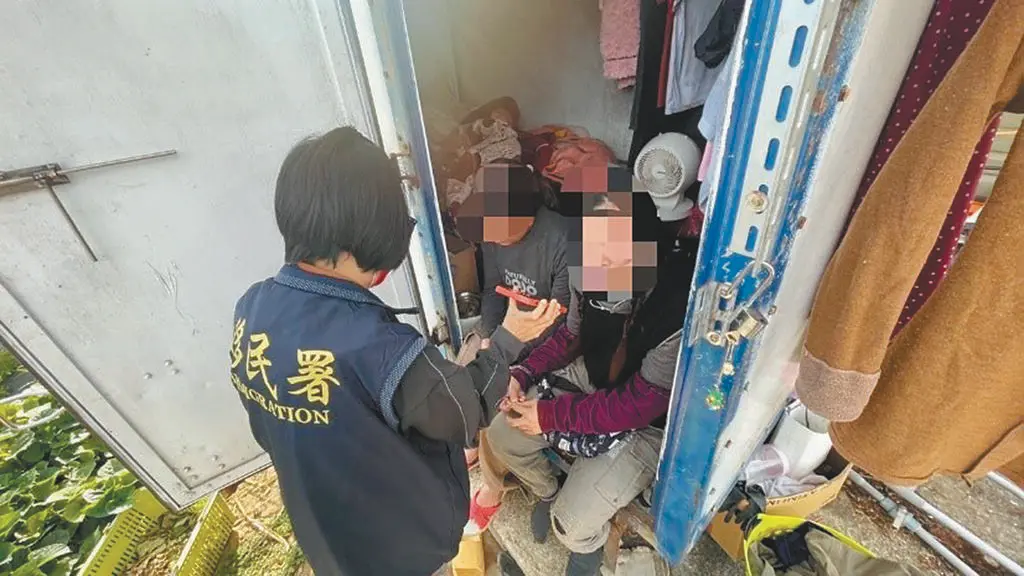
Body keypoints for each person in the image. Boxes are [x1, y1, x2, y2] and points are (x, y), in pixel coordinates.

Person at [229, 127, 561, 576]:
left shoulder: (252, 308)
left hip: (327, 534)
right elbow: (466, 409)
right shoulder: (377, 347)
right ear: (372, 235)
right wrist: (506, 338)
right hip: (397, 550)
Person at [483, 166, 700, 576]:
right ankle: (549, 490)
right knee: (501, 435)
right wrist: (523, 372)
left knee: (572, 526)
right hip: (595, 374)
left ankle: (587, 546)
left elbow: (639, 404)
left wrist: (549, 415)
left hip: (648, 420)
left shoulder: (676, 308)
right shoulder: (588, 267)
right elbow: (571, 335)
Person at [452, 161, 572, 472]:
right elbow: (493, 291)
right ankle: (467, 440)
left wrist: (510, 350)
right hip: (507, 327)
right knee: (465, 366)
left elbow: (561, 318)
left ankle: (489, 466)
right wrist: (490, 335)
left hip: (545, 336)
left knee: (499, 402)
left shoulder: (564, 239)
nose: (494, 237)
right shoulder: (492, 234)